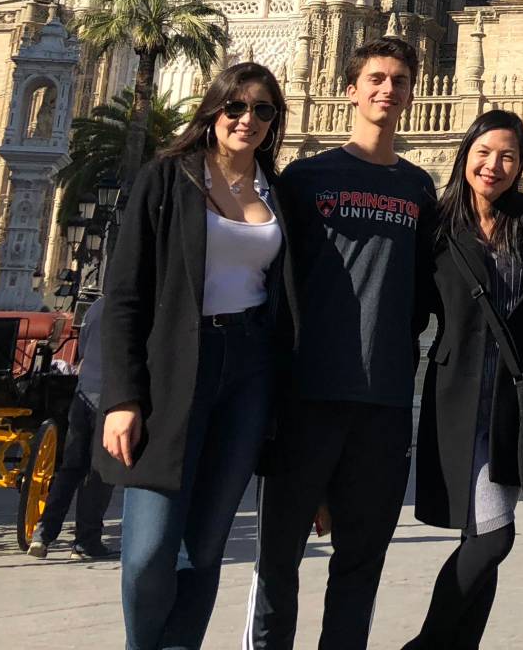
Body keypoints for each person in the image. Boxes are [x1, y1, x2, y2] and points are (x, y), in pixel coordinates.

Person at [247, 36, 438, 649]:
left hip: (383, 402)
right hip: (307, 396)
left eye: (400, 79)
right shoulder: (304, 179)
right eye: (376, 78)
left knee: (361, 563)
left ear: (413, 93)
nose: (388, 89)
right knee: (279, 558)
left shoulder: (418, 189)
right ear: (350, 88)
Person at [98, 63, 291, 650]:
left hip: (250, 370)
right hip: (176, 366)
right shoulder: (166, 178)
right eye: (235, 107)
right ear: (211, 112)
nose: (247, 120)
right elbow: (125, 294)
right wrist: (122, 398)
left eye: (262, 110)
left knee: (206, 545)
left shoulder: (275, 190)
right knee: (149, 551)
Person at [405, 109, 523, 650]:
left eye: (507, 155)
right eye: (483, 152)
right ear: (465, 154)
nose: (493, 165)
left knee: (484, 533)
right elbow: (414, 307)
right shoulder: (437, 225)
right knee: (493, 536)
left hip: (514, 397)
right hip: (457, 396)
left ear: (522, 163)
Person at [29, 294, 115, 560]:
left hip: (83, 393)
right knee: (100, 472)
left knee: (70, 468)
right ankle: (86, 541)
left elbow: (84, 349)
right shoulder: (138, 307)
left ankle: (43, 534)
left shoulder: (96, 308)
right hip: (111, 397)